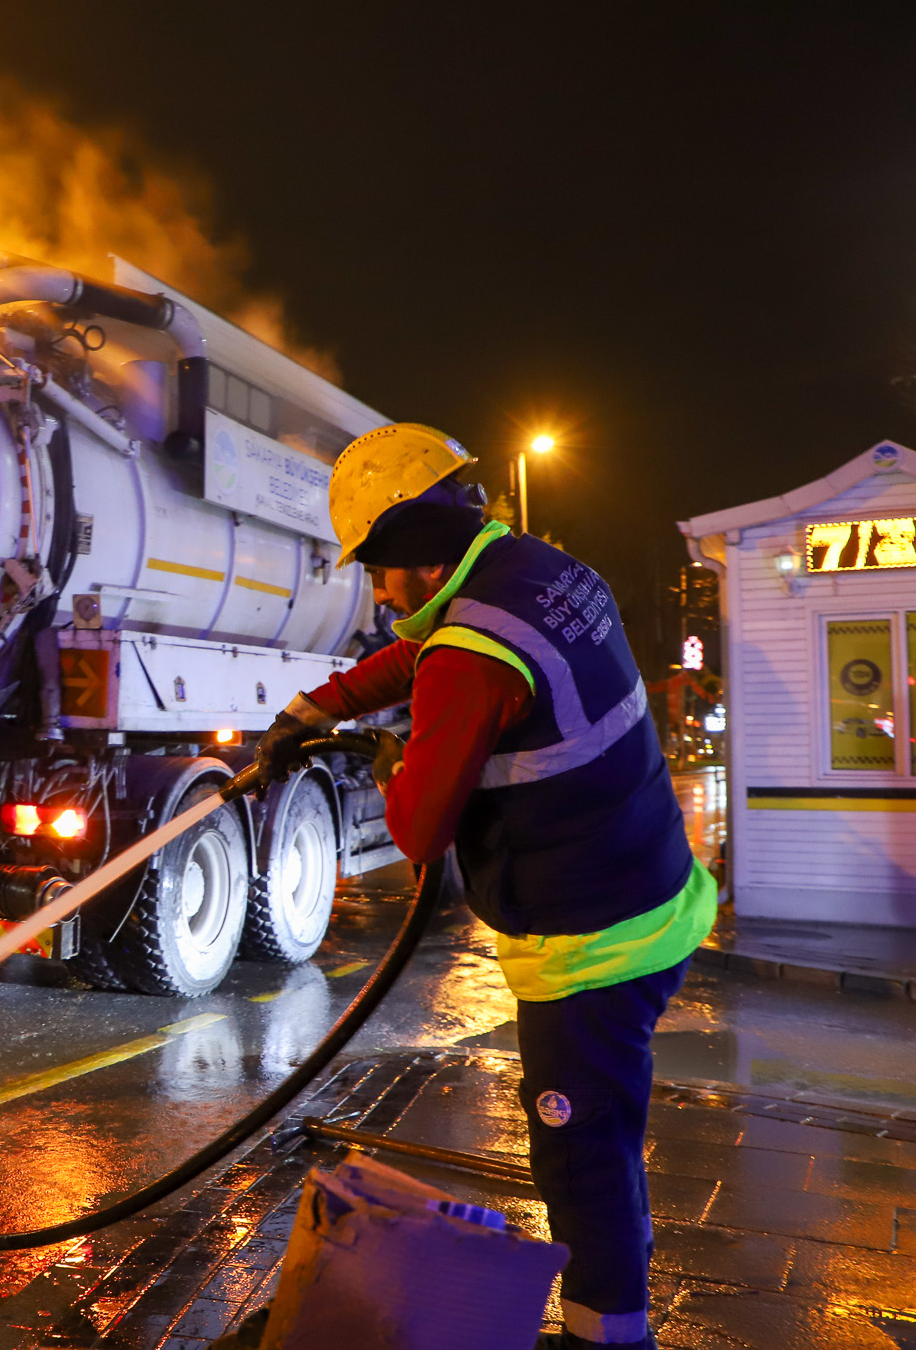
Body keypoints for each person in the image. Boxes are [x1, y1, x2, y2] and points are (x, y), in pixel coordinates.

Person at [256, 423, 714, 1350]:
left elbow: (420, 827)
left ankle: (609, 1340)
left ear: (414, 561)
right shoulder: (532, 567)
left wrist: (397, 756)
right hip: (656, 887)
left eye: (378, 570)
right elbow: (425, 647)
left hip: (592, 943)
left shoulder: (468, 660)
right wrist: (316, 708)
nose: (378, 591)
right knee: (599, 1141)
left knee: (583, 1154)